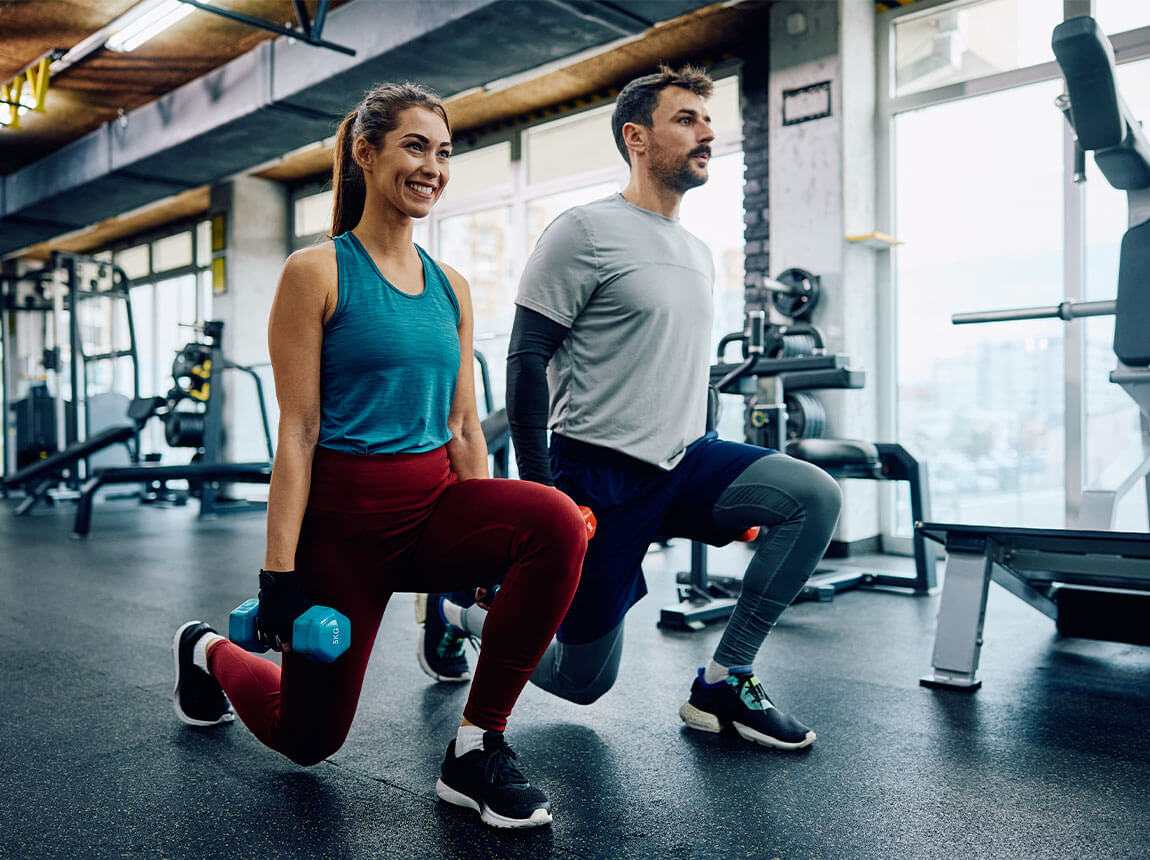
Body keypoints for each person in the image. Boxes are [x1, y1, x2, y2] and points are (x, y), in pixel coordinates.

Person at [170, 82, 588, 830]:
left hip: (432, 511)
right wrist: (277, 578)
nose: (433, 167)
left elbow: (463, 425)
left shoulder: (451, 286)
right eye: (415, 147)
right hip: (345, 534)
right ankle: (205, 651)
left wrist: (488, 557)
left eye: (444, 152)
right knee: (307, 740)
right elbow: (297, 433)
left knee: (554, 520)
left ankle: (476, 746)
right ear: (365, 153)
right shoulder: (316, 273)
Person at [422, 65, 842, 751]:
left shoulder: (698, 251)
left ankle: (725, 680)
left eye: (708, 121)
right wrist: (542, 492)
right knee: (583, 680)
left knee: (811, 496)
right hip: (599, 473)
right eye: (686, 119)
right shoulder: (584, 230)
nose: (707, 134)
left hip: (688, 460)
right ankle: (455, 615)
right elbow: (526, 359)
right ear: (636, 138)